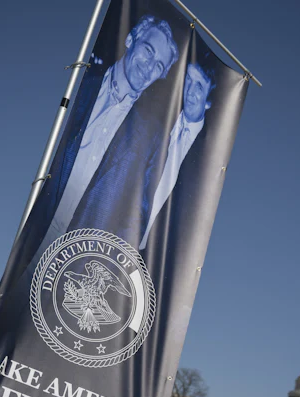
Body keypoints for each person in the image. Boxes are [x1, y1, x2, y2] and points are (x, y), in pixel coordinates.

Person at [50, 15, 179, 234]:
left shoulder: (152, 139)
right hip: (37, 231)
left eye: (159, 65)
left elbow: (138, 212)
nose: (149, 67)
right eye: (148, 50)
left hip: (80, 254)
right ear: (130, 40)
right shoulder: (81, 87)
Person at [139, 62, 215, 249]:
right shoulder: (155, 122)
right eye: (188, 80)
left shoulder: (209, 156)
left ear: (208, 101)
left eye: (199, 86)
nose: (190, 91)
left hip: (156, 256)